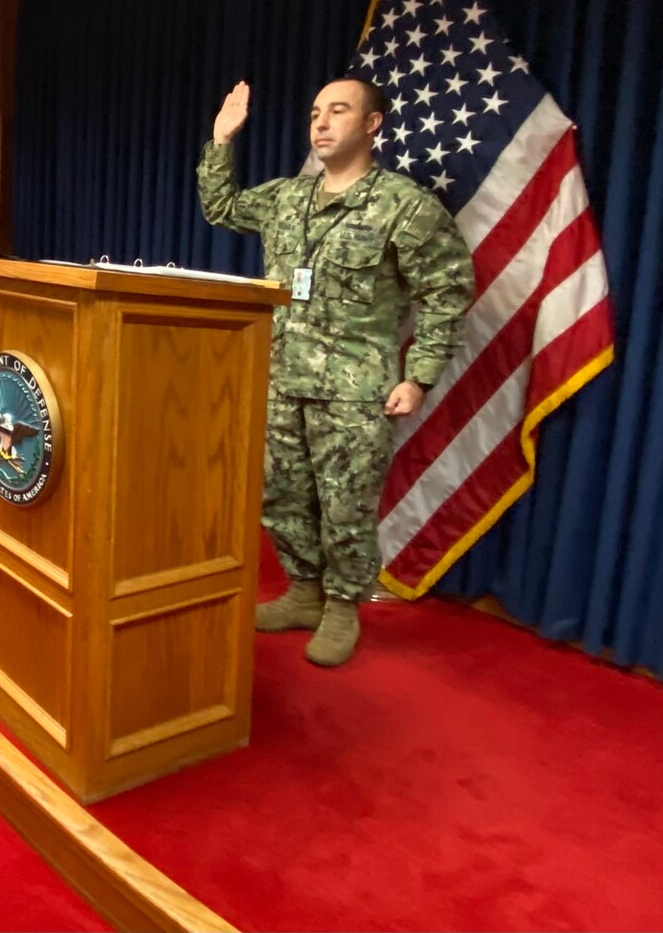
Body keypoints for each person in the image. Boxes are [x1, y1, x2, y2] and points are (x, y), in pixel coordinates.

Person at [199, 78, 474, 667]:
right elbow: (220, 208)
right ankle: (303, 592)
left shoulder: (405, 206)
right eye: (315, 112)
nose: (321, 124)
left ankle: (343, 604)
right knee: (282, 496)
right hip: (281, 378)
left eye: (339, 112)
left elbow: (448, 291)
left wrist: (419, 374)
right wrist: (222, 140)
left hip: (355, 390)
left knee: (346, 505)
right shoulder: (288, 198)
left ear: (372, 125)